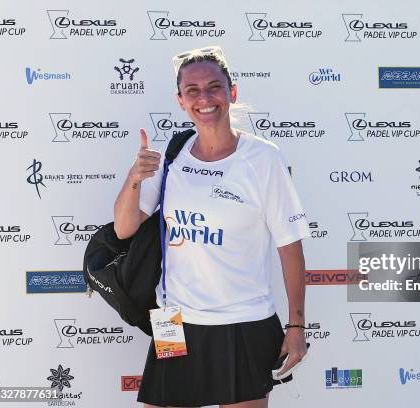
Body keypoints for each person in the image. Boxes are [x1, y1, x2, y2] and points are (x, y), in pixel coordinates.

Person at [112, 46, 309, 408]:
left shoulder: (263, 158)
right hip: (172, 322)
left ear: (231, 93)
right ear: (181, 100)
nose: (204, 98)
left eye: (214, 87)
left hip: (244, 322)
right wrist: (134, 177)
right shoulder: (173, 154)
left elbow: (290, 247)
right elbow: (124, 228)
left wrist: (296, 326)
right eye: (193, 90)